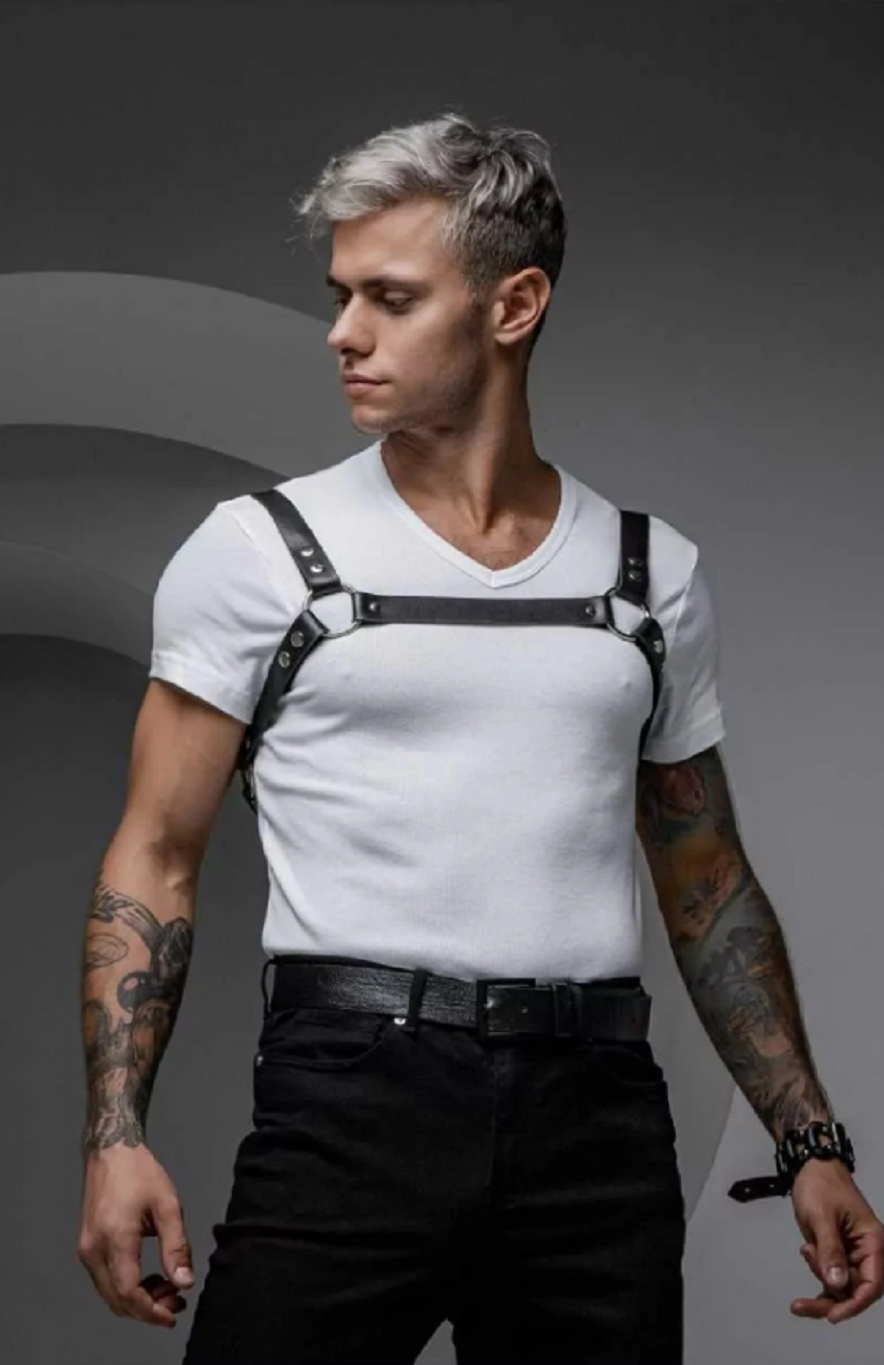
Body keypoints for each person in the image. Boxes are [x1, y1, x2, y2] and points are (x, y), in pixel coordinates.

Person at [76, 111, 883, 1363]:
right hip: (349, 1096)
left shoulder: (648, 577)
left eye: (390, 298)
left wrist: (810, 1139)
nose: (344, 332)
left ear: (514, 306)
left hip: (595, 1123)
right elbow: (156, 855)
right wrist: (115, 1138)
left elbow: (708, 883)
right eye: (341, 295)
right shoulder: (259, 556)